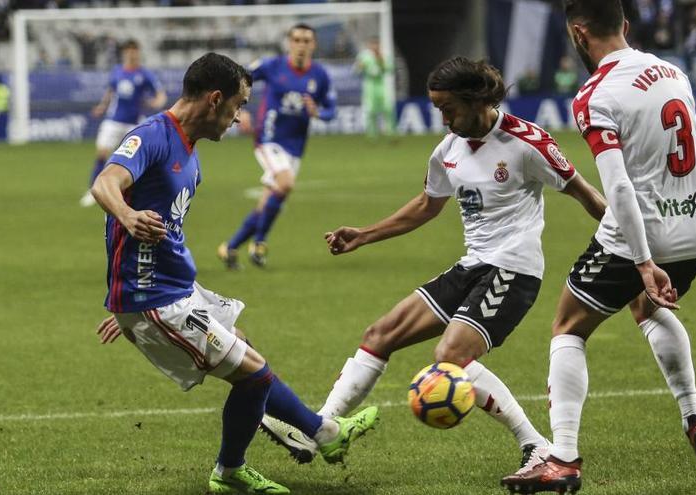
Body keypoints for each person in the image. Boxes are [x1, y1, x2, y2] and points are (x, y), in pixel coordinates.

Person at [257, 56, 608, 480]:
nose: (442, 119)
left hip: (513, 271)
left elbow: (588, 197)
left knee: (449, 357)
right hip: (471, 266)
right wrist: (364, 235)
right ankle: (320, 428)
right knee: (379, 335)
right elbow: (427, 205)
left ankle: (536, 446)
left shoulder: (527, 143)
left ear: (475, 100)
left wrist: (633, 253)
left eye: (448, 109)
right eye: (438, 109)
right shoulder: (448, 150)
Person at [90, 52, 378, 495]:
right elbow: (105, 183)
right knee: (255, 375)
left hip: (172, 291)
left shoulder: (192, 156)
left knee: (243, 346)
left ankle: (324, 434)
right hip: (154, 300)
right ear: (215, 99)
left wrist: (124, 297)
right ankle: (230, 471)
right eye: (239, 105)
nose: (240, 116)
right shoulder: (152, 136)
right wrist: (127, 220)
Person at [501, 1, 696, 493]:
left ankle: (563, 459)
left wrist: (644, 261)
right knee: (644, 306)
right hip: (695, 227)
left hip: (644, 237)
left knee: (568, 325)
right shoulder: (672, 71)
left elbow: (619, 189)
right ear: (625, 26)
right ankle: (693, 415)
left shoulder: (594, 94)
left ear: (577, 34)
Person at [217, 23, 335, 269]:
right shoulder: (272, 65)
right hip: (268, 139)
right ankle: (259, 243)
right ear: (289, 42)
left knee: (270, 201)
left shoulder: (320, 75)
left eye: (306, 40)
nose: (301, 45)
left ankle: (229, 248)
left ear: (313, 44)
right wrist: (240, 110)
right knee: (286, 183)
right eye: (297, 39)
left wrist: (318, 113)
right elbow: (238, 78)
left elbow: (331, 109)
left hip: (295, 147)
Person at [80, 39, 167, 207]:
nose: (131, 53)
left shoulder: (145, 74)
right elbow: (110, 91)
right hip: (113, 121)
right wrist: (102, 106)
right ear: (124, 53)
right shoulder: (117, 71)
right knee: (102, 153)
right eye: (129, 50)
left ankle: (137, 192)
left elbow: (160, 93)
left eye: (134, 50)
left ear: (138, 53)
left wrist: (157, 103)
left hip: (133, 124)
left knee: (134, 159)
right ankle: (93, 190)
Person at [355, 38, 395, 138]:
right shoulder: (364, 56)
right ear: (369, 46)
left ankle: (391, 132)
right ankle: (372, 135)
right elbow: (356, 71)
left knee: (388, 109)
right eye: (373, 45)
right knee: (371, 111)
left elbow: (390, 69)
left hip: (381, 85)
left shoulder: (384, 55)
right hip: (369, 86)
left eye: (377, 45)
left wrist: (381, 61)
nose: (375, 47)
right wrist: (360, 67)